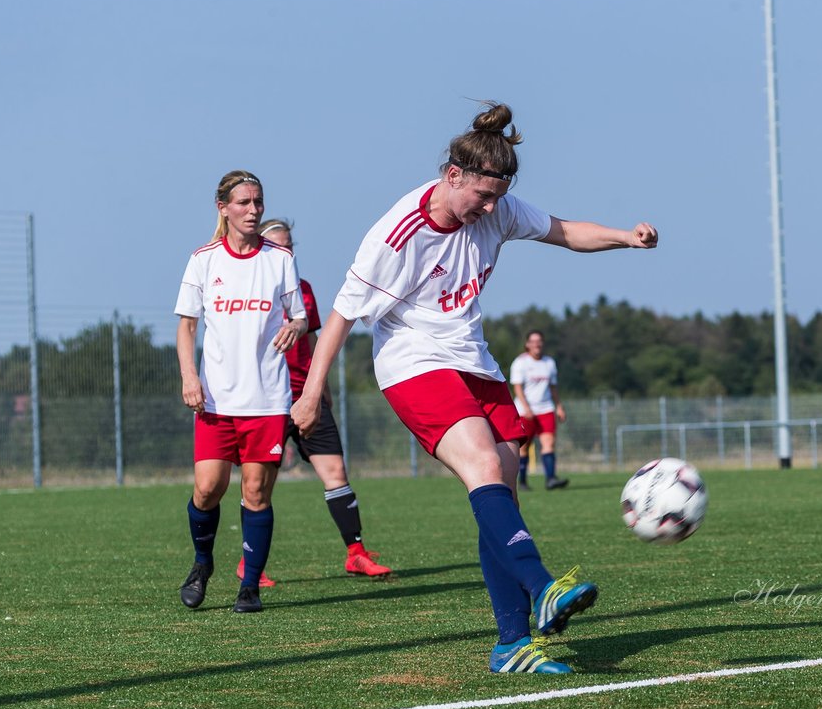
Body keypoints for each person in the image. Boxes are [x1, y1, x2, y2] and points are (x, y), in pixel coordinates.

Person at [293, 102, 658, 673]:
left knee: (503, 493)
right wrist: (313, 392)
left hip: (476, 363)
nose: (490, 209)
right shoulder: (396, 234)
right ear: (451, 175)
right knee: (484, 468)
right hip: (414, 363)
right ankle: (542, 587)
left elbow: (563, 231)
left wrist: (625, 237)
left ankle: (512, 644)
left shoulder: (497, 208)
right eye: (481, 197)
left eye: (497, 198)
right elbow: (341, 314)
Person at [174, 170, 307, 614]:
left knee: (255, 493)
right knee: (208, 488)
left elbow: (302, 317)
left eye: (258, 202)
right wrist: (189, 377)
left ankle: (249, 588)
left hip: (267, 398)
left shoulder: (279, 259)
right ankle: (202, 562)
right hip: (215, 400)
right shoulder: (204, 259)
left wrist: (294, 325)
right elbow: (187, 326)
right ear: (223, 208)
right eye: (244, 203)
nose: (253, 210)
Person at [232, 218, 391, 582]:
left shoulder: (303, 289)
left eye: (289, 245)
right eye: (277, 245)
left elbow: (315, 341)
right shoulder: (248, 289)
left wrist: (323, 388)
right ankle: (249, 566)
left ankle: (356, 554)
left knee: (336, 473)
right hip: (267, 400)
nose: (285, 251)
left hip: (308, 395)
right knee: (258, 487)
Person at [511, 330, 568, 491]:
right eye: (533, 341)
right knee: (523, 447)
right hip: (525, 411)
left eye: (539, 341)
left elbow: (553, 387)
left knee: (548, 443)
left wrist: (559, 406)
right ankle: (522, 482)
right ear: (527, 344)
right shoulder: (521, 362)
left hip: (545, 408)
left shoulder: (549, 362)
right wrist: (527, 408)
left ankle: (550, 479)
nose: (536, 344)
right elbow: (517, 388)